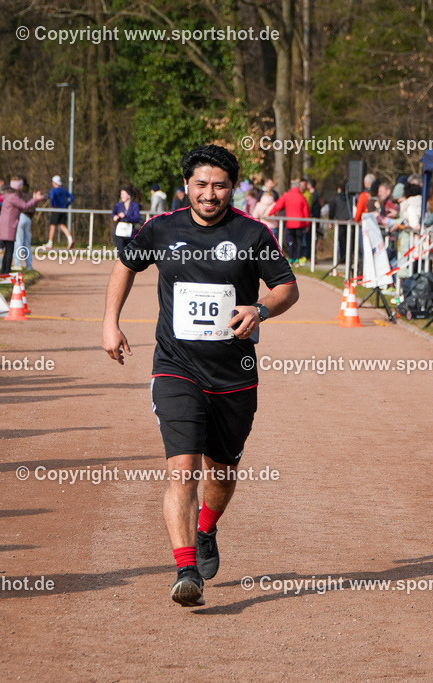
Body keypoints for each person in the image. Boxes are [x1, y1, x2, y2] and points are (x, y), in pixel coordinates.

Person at [102, 144, 299, 607]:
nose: (210, 194)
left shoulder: (252, 234)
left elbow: (287, 288)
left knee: (223, 471)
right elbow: (125, 265)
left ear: (233, 187)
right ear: (186, 186)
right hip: (176, 367)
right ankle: (186, 569)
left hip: (234, 373)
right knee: (184, 468)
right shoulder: (162, 228)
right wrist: (110, 322)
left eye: (220, 185)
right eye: (201, 184)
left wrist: (260, 309)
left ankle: (207, 527)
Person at [0, 180, 44, 275]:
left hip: (5, 225)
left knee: (7, 251)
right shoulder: (13, 197)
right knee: (9, 250)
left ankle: (4, 271)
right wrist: (35, 199)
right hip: (9, 226)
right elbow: (25, 206)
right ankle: (6, 272)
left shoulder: (9, 196)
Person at [269, 180, 311, 264]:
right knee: (299, 241)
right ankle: (298, 258)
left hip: (290, 223)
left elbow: (278, 205)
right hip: (300, 223)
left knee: (291, 241)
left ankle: (291, 257)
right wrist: (307, 224)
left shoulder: (287, 196)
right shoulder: (302, 197)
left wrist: (271, 213)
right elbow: (306, 212)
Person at [46, 175, 74, 249]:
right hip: (63, 210)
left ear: (54, 182)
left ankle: (50, 243)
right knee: (62, 225)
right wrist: (67, 204)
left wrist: (53, 205)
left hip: (56, 209)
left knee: (53, 226)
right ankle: (70, 239)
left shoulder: (54, 190)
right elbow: (72, 198)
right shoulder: (64, 190)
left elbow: (52, 198)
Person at [112, 186, 141, 253]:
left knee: (129, 253)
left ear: (129, 196)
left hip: (130, 233)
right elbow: (113, 214)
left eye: (123, 194)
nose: (121, 196)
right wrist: (115, 217)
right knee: (121, 252)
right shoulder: (118, 205)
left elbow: (137, 218)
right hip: (119, 232)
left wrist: (126, 216)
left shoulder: (134, 206)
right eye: (121, 194)